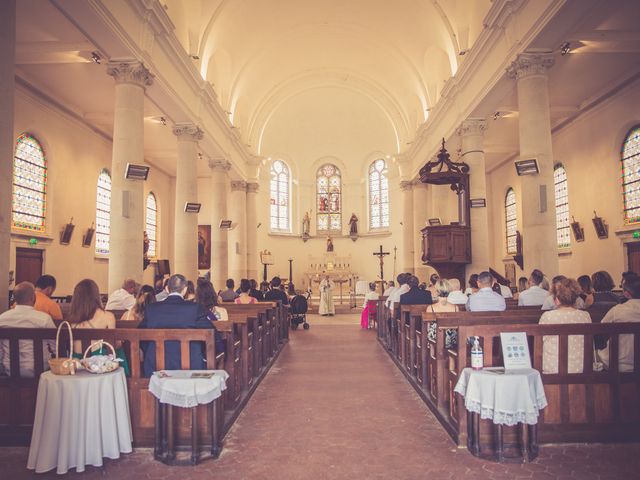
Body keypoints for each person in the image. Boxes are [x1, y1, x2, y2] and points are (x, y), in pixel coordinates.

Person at [139, 274, 214, 377]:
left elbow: (140, 336)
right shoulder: (195, 308)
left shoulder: (151, 309)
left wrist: (152, 353)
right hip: (191, 366)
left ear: (167, 289)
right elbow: (211, 333)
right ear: (185, 289)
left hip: (155, 368)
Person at [68, 279, 128, 375]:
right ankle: (122, 378)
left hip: (77, 361)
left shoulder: (71, 319)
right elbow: (113, 345)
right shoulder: (107, 316)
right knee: (119, 350)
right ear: (96, 296)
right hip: (98, 363)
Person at [0, 282, 55, 377]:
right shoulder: (44, 319)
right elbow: (55, 346)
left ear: (15, 299)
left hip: (9, 369)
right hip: (41, 369)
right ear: (33, 298)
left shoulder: (2, 319)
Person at [539, 278, 592, 374]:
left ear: (557, 300)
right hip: (581, 369)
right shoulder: (585, 316)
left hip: (552, 369)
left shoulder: (547, 316)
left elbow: (541, 341)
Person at [598, 277, 640, 372]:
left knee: (597, 354)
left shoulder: (617, 310)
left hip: (619, 363)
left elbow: (601, 328)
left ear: (626, 294)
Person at [195, 280, 227, 355]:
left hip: (199, 349)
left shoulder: (195, 311)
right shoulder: (222, 311)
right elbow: (224, 335)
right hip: (216, 349)